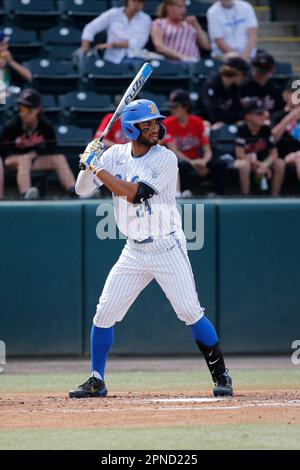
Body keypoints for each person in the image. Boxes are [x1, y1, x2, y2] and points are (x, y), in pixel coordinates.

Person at [69, 99, 233, 399]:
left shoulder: (165, 159)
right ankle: (96, 379)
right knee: (104, 314)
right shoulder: (115, 154)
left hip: (166, 246)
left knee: (190, 312)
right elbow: (81, 189)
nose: (156, 128)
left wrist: (97, 167)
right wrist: (88, 162)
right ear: (132, 128)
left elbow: (135, 194)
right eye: (148, 124)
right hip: (133, 250)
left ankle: (221, 374)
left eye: (156, 122)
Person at [0, 89, 76, 199]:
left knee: (59, 158)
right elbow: (3, 151)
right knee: (24, 160)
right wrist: (24, 156)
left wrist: (35, 153)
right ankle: (26, 194)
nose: (23, 113)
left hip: (34, 159)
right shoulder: (11, 126)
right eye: (21, 109)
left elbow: (51, 148)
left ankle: (74, 191)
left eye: (27, 109)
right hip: (11, 160)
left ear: (37, 110)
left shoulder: (46, 127)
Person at [163, 89, 212, 196]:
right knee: (181, 164)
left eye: (175, 107)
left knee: (218, 164)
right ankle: (184, 193)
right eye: (171, 107)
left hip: (197, 159)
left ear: (185, 106)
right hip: (181, 160)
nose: (172, 109)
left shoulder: (198, 122)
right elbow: (174, 151)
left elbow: (207, 149)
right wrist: (193, 163)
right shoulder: (167, 123)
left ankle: (217, 194)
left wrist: (204, 161)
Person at [235, 98, 285, 196]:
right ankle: (245, 197)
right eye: (259, 114)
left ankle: (274, 197)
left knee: (280, 163)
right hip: (247, 160)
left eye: (264, 113)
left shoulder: (266, 129)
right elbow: (239, 154)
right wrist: (259, 165)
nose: (263, 116)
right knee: (244, 165)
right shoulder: (242, 129)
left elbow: (274, 153)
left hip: (263, 161)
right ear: (248, 116)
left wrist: (265, 165)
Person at [80, 0, 151, 64]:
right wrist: (85, 50)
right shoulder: (113, 13)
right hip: (111, 58)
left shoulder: (146, 19)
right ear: (127, 1)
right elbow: (90, 28)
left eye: (140, 2)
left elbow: (139, 43)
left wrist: (113, 44)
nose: (137, 5)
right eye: (134, 1)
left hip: (135, 58)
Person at [201, 56, 249, 126]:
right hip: (207, 121)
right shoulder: (211, 84)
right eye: (244, 74)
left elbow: (238, 110)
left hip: (225, 121)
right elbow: (213, 113)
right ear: (236, 73)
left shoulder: (234, 87)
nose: (245, 78)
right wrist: (234, 117)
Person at [272, 80, 300, 186]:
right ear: (286, 94)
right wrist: (290, 118)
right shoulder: (277, 116)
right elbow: (272, 139)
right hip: (283, 156)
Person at [240, 51, 284, 115]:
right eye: (258, 72)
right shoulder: (242, 87)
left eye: (263, 73)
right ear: (252, 68)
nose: (260, 75)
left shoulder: (276, 90)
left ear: (272, 70)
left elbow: (279, 111)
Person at [0, 30, 32, 95]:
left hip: (8, 97)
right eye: (2, 45)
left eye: (5, 45)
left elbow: (29, 77)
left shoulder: (10, 58)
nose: (4, 48)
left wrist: (11, 62)